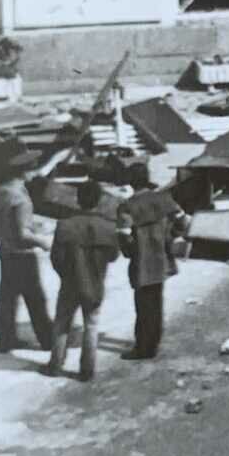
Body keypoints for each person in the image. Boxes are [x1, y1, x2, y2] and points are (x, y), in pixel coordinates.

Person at [44, 181, 119, 381]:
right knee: (91, 326)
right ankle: (87, 370)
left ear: (78, 199)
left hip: (70, 283)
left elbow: (56, 258)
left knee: (62, 324)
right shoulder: (109, 226)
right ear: (100, 200)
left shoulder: (65, 225)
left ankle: (55, 365)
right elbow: (113, 256)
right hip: (95, 283)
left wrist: (66, 275)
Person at [0, 152, 53, 353]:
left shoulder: (1, 193)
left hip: (5, 251)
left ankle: (6, 340)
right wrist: (43, 242)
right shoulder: (21, 198)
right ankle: (47, 341)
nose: (35, 173)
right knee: (35, 299)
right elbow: (23, 234)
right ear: (24, 172)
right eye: (33, 169)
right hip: (23, 255)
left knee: (7, 298)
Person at [116, 163, 188, 360]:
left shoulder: (127, 206)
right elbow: (183, 221)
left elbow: (123, 236)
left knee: (143, 305)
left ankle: (142, 348)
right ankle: (153, 344)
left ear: (131, 182)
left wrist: (130, 251)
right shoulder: (164, 198)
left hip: (141, 262)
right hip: (162, 259)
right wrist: (171, 236)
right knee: (156, 302)